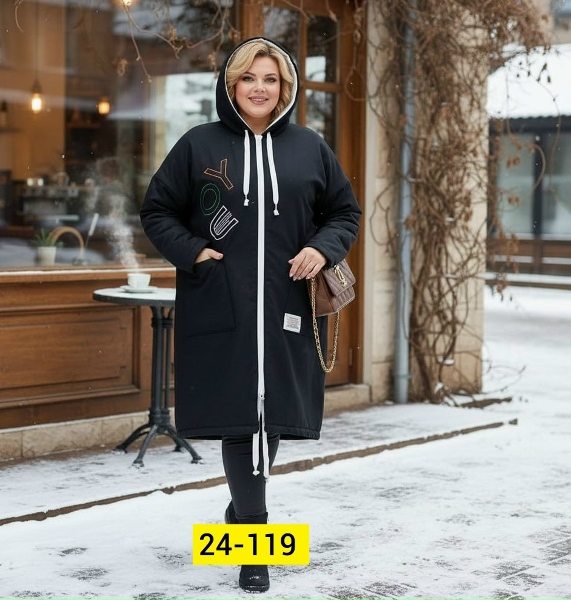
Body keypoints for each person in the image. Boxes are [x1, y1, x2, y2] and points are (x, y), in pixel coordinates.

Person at [140, 37, 361, 593]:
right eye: (248, 78)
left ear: (285, 88)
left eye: (270, 79)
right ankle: (253, 539)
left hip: (288, 305)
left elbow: (343, 212)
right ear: (231, 85)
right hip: (223, 302)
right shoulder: (199, 144)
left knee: (273, 415)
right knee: (244, 416)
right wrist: (195, 252)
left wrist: (322, 249)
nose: (259, 88)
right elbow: (157, 210)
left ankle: (240, 512)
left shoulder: (309, 148)